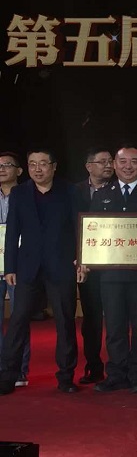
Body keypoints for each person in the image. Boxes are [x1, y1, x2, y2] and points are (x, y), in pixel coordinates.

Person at [0, 149, 81, 395]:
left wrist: (82, 260)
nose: (38, 169)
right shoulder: (20, 193)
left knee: (65, 322)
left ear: (54, 166)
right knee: (17, 321)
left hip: (61, 265)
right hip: (28, 267)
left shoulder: (70, 191)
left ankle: (66, 377)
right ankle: (7, 376)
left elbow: (80, 227)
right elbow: (12, 232)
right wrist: (10, 267)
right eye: (32, 164)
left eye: (43, 164)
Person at [90, 144, 137, 393]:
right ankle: (116, 374)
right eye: (122, 162)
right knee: (114, 327)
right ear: (114, 164)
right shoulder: (102, 195)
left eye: (134, 161)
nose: (128, 166)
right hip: (110, 275)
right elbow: (92, 231)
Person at [74, 146, 114, 385]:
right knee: (91, 319)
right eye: (102, 162)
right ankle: (94, 366)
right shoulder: (75, 191)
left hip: (114, 263)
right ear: (89, 166)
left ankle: (118, 367)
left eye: (110, 161)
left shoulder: (120, 189)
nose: (108, 165)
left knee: (117, 318)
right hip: (87, 265)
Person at [0, 152, 31, 388]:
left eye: (7, 165)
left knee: (19, 317)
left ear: (19, 171)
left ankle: (19, 369)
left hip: (18, 265)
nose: (1, 169)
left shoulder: (27, 196)